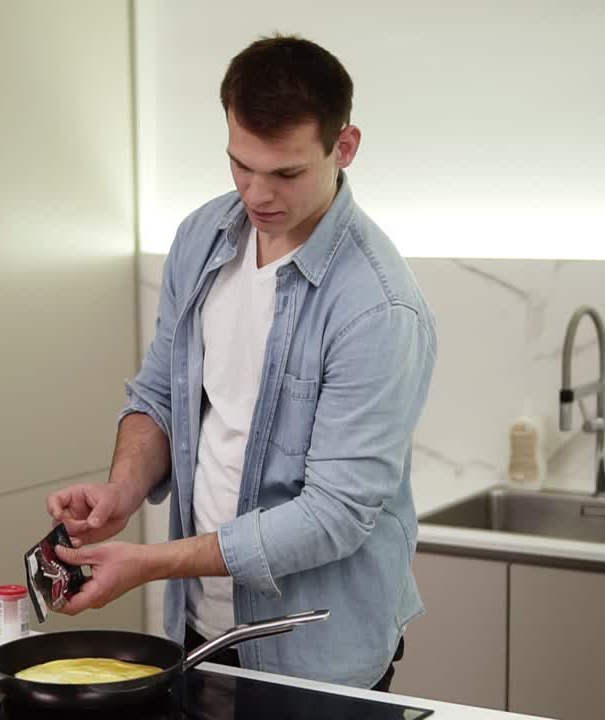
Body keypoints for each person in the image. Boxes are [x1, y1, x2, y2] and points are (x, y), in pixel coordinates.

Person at [45, 34, 436, 691]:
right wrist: (122, 489)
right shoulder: (202, 238)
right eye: (239, 165)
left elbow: (332, 516)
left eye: (285, 173)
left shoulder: (378, 306)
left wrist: (152, 561)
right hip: (201, 629)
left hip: (318, 652)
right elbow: (160, 397)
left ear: (344, 147)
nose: (256, 194)